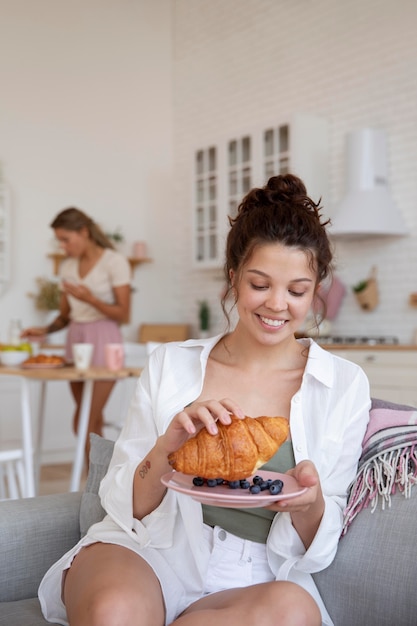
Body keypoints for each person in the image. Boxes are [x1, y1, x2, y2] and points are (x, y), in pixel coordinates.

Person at [38, 175, 371, 626]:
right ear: (233, 277)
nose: (277, 305)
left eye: (296, 290)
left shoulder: (343, 384)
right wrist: (166, 449)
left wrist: (309, 502)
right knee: (113, 612)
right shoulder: (170, 365)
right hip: (150, 551)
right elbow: (124, 504)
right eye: (259, 284)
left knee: (293, 614)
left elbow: (322, 543)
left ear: (315, 292)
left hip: (256, 576)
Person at [22, 207, 131, 460]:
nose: (62, 246)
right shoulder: (68, 267)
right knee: (89, 417)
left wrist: (90, 299)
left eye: (65, 239)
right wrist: (45, 330)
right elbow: (65, 315)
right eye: (59, 240)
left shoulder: (114, 262)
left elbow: (123, 314)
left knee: (86, 418)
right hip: (76, 339)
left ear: (83, 232)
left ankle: (92, 484)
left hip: (105, 340)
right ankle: (98, 482)